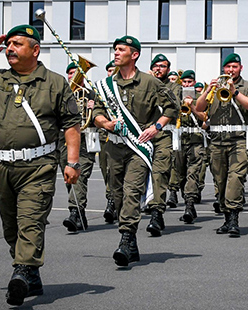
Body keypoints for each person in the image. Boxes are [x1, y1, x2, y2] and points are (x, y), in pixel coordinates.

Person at [0, 25, 81, 306]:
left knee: (31, 221)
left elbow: (71, 125)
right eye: (8, 44)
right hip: (3, 167)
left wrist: (72, 162)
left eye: (17, 44)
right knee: (11, 228)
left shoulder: (55, 83)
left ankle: (21, 273)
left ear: (34, 50)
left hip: (39, 166)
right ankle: (30, 273)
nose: (9, 48)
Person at [92, 36, 178, 266]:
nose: (116, 53)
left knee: (132, 190)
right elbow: (96, 113)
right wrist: (105, 123)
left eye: (121, 50)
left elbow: (172, 107)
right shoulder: (106, 85)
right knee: (117, 194)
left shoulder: (150, 82)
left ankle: (126, 238)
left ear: (135, 54)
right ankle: (132, 243)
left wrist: (156, 127)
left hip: (138, 147)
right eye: (115, 49)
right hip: (114, 147)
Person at [195, 53, 248, 237]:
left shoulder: (247, 86)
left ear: (240, 68)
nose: (231, 70)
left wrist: (235, 92)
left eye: (235, 67)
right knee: (220, 180)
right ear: (224, 68)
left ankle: (234, 219)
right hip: (217, 140)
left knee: (235, 178)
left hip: (238, 140)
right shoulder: (214, 86)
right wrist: (208, 90)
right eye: (228, 67)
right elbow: (199, 108)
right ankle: (226, 217)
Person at [59, 61, 98, 232]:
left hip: (85, 138)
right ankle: (80, 215)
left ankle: (74, 211)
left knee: (79, 175)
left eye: (78, 73)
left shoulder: (91, 94)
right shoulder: (61, 94)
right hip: (64, 140)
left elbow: (102, 115)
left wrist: (94, 108)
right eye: (71, 73)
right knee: (69, 176)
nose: (73, 77)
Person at [146, 54, 182, 236]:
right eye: (156, 65)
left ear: (168, 70)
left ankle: (156, 213)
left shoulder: (174, 87)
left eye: (163, 66)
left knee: (159, 173)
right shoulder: (143, 83)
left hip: (163, 135)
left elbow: (173, 106)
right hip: (144, 135)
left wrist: (154, 84)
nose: (159, 69)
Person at [174, 70, 208, 223]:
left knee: (193, 173)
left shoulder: (202, 98)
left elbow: (205, 118)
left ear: (194, 83)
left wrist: (193, 106)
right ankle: (189, 204)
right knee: (180, 175)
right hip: (179, 139)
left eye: (190, 82)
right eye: (185, 82)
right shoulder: (176, 96)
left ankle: (189, 205)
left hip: (196, 139)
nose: (187, 84)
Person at [101, 60, 117, 224]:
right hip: (105, 136)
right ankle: (111, 200)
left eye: (114, 70)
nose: (111, 73)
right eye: (109, 70)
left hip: (125, 136)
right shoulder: (101, 90)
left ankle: (113, 203)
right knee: (107, 170)